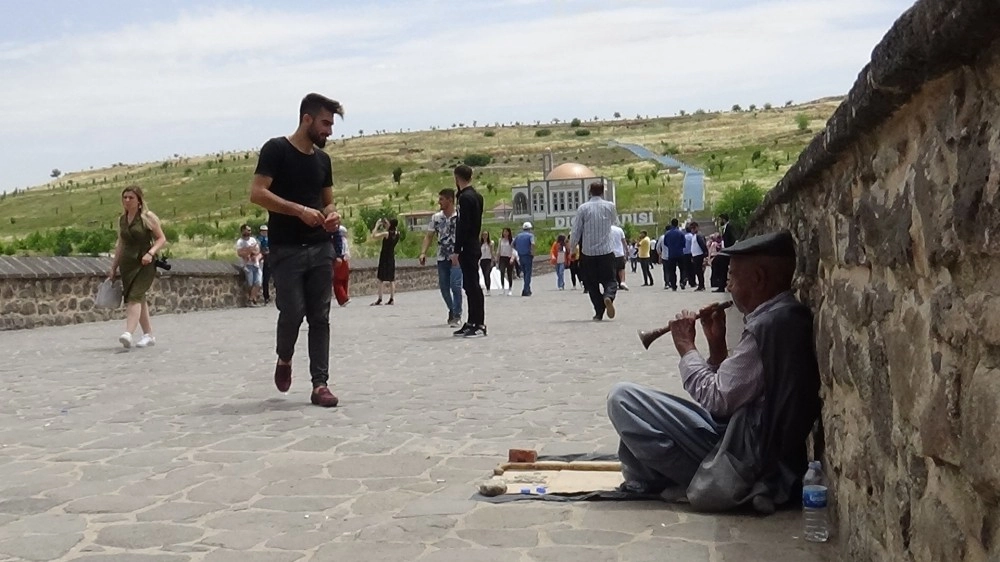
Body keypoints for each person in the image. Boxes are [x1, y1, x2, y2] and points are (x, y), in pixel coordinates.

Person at [606, 231, 821, 514]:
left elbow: (717, 399)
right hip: (738, 434)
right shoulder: (777, 316)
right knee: (640, 416)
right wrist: (717, 346)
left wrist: (686, 347)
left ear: (758, 278)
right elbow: (733, 397)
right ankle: (655, 476)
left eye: (732, 275)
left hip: (743, 456)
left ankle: (697, 479)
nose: (727, 282)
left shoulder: (769, 326)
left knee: (623, 400)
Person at [248, 92, 343, 408]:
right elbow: (257, 194)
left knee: (320, 316)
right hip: (285, 248)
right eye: (326, 123)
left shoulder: (323, 161)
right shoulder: (276, 150)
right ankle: (284, 358)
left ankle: (320, 384)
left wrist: (331, 214)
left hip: (320, 248)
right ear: (307, 119)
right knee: (292, 312)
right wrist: (298, 210)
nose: (329, 131)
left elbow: (327, 199)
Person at [108, 185, 167, 349]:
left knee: (134, 296)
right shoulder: (122, 219)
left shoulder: (148, 217)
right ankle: (148, 335)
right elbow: (121, 244)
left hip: (145, 263)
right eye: (124, 197)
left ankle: (128, 333)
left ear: (139, 200)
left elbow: (161, 238)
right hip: (128, 264)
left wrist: (151, 253)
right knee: (138, 297)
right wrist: (113, 267)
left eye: (131, 198)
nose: (127, 200)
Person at [569, 181, 619, 321]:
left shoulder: (583, 208)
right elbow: (615, 223)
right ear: (602, 191)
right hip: (606, 251)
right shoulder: (610, 206)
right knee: (610, 280)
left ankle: (598, 312)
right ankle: (608, 296)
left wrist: (572, 249)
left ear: (590, 191)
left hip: (588, 253)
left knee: (591, 284)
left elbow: (576, 230)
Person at [451, 165, 487, 337]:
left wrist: (457, 249)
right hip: (473, 243)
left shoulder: (465, 198)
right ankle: (472, 321)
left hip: (467, 245)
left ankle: (479, 323)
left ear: (457, 178)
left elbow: (463, 226)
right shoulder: (477, 196)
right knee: (469, 285)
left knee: (472, 285)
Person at [420, 189, 462, 327]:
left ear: (450, 200)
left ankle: (457, 314)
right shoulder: (436, 218)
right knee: (444, 287)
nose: (439, 202)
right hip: (442, 255)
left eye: (442, 199)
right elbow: (429, 236)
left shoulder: (460, 216)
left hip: (456, 256)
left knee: (455, 285)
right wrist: (423, 252)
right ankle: (452, 309)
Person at [370, 218, 400, 306]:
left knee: (380, 278)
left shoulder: (387, 234)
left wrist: (377, 225)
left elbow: (374, 236)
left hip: (384, 256)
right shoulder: (397, 233)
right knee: (392, 279)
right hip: (391, 256)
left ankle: (380, 298)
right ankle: (392, 298)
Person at [235, 224, 263, 305]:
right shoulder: (240, 242)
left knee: (258, 282)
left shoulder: (253, 240)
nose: (250, 232)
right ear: (243, 231)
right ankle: (252, 298)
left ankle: (251, 299)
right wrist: (249, 250)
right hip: (247, 265)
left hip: (255, 263)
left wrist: (250, 251)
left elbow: (257, 250)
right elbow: (240, 253)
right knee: (250, 283)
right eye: (248, 230)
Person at [712, 213, 737, 292]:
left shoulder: (729, 227)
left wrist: (729, 249)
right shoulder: (725, 227)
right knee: (720, 265)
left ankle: (721, 285)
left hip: (727, 251)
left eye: (720, 220)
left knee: (720, 265)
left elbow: (732, 239)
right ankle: (721, 284)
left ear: (724, 219)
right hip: (725, 250)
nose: (720, 221)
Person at [329, 215, 350, 307]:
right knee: (344, 279)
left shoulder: (337, 239)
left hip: (340, 258)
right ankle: (345, 296)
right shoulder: (344, 240)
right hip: (345, 258)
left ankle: (343, 298)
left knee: (337, 280)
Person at [512, 222, 536, 296]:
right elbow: (533, 244)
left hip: (520, 256)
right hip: (528, 255)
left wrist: (518, 249)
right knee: (528, 273)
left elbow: (512, 244)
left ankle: (527, 289)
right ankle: (526, 290)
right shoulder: (530, 236)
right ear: (529, 229)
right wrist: (532, 253)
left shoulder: (518, 236)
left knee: (525, 273)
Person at [662, 219, 686, 291]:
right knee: (682, 269)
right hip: (680, 253)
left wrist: (671, 246)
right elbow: (684, 243)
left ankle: (673, 285)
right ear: (677, 224)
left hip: (671, 254)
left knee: (672, 271)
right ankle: (682, 281)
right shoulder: (681, 233)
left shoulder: (667, 234)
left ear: (671, 224)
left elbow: (665, 243)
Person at [688, 221, 708, 291]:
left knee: (699, 271)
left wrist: (705, 254)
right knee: (697, 271)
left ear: (696, 228)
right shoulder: (694, 236)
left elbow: (702, 245)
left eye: (693, 228)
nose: (692, 230)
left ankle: (701, 285)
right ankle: (701, 285)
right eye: (691, 229)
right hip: (695, 255)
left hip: (699, 255)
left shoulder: (699, 236)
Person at [497, 227, 515, 296]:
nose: (505, 233)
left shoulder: (512, 240)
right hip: (502, 258)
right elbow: (499, 249)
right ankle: (503, 288)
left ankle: (510, 289)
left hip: (509, 258)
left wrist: (512, 258)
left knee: (509, 273)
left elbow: (514, 250)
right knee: (502, 271)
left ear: (509, 233)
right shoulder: (500, 240)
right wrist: (497, 258)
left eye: (506, 232)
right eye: (504, 232)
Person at [610, 223, 628, 291]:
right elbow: (624, 242)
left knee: (612, 269)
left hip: (610, 252)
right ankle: (622, 281)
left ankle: (614, 283)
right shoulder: (619, 230)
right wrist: (627, 251)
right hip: (620, 252)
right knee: (621, 268)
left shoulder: (607, 230)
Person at [479, 230, 496, 296]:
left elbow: (492, 252)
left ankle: (488, 289)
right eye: (483, 235)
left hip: (488, 260)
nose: (485, 236)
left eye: (486, 234)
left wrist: (493, 260)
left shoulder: (491, 243)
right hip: (482, 260)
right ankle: (487, 287)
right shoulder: (480, 244)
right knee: (484, 275)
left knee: (487, 274)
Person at [258, 224, 272, 304]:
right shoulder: (258, 239)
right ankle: (266, 297)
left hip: (270, 259)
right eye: (263, 231)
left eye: (265, 231)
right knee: (265, 279)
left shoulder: (270, 239)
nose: (264, 232)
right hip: (262, 259)